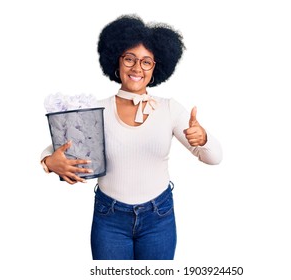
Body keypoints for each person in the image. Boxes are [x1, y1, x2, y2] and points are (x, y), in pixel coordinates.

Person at [40, 14, 222, 260]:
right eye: (130, 59)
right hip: (110, 219)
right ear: (117, 61)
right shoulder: (97, 109)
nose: (137, 68)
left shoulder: (170, 109)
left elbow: (214, 158)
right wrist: (49, 163)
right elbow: (55, 148)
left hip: (159, 217)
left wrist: (203, 139)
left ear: (156, 68)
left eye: (146, 62)